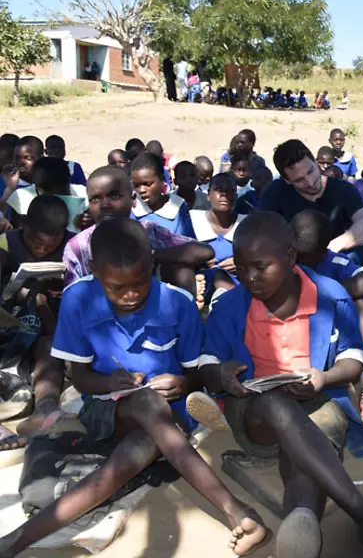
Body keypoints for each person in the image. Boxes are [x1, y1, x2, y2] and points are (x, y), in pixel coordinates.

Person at [0, 218, 270, 557]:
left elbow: (196, 374)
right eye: (116, 287)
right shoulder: (77, 299)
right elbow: (81, 378)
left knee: (140, 449)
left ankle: (18, 540)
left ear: (152, 266)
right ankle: (236, 509)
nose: (130, 294)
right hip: (107, 408)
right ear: (95, 271)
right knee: (147, 406)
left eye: (140, 282)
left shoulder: (178, 303)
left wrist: (183, 382)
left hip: (169, 416)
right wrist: (109, 382)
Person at [199, 213, 363, 558]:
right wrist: (221, 374)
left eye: (260, 266)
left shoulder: (331, 296)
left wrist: (325, 378)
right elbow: (207, 364)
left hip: (319, 404)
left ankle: (302, 522)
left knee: (303, 461)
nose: (249, 277)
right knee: (274, 404)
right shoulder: (231, 306)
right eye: (240, 268)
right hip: (256, 412)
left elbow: (354, 361)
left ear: (290, 255)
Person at [0, 195, 84, 452]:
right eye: (36, 242)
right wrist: (23, 293)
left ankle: (46, 408)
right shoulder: (5, 246)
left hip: (49, 323)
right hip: (10, 324)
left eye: (52, 243)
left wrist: (48, 299)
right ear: (24, 226)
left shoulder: (74, 246)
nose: (42, 250)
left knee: (50, 347)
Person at [291, 209, 363, 433]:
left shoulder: (333, 262)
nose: (299, 262)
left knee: (361, 302)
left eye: (307, 257)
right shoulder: (281, 260)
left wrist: (328, 293)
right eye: (296, 254)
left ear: (324, 251)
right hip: (291, 340)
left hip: (333, 342)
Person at [63, 166, 214, 293]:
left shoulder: (149, 231)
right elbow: (74, 297)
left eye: (114, 196)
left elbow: (205, 251)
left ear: (133, 200)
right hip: (99, 321)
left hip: (152, 314)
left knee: (182, 271)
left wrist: (151, 254)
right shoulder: (77, 247)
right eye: (95, 199)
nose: (104, 205)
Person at [257, 139, 363, 253]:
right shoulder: (273, 193)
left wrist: (331, 248)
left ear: (316, 163)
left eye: (311, 171)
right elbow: (260, 232)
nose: (310, 182)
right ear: (287, 180)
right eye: (299, 180)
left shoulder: (342, 189)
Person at [7, 157, 87, 230]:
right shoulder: (22, 198)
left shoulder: (82, 192)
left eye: (65, 194)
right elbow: (19, 231)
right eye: (52, 196)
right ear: (38, 188)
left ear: (69, 181)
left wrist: (89, 221)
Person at [190, 173, 244, 276]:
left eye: (229, 190)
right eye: (218, 190)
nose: (224, 194)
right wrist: (198, 261)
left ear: (236, 196)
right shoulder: (193, 219)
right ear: (208, 196)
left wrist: (241, 262)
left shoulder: (245, 224)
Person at [130, 153, 195, 239]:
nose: (142, 190)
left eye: (147, 184)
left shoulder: (178, 207)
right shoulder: (131, 209)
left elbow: (188, 243)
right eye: (136, 185)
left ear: (162, 180)